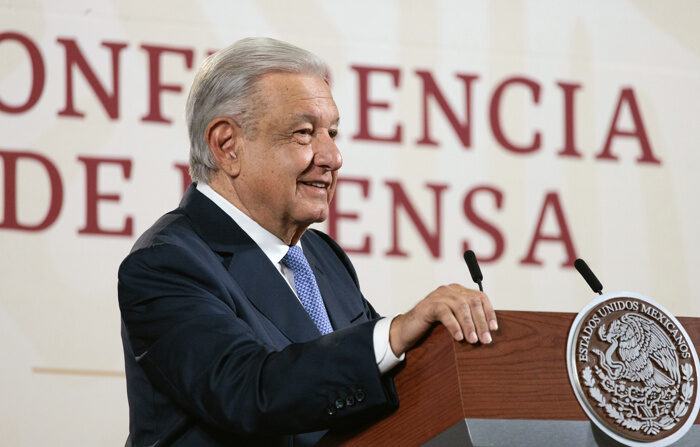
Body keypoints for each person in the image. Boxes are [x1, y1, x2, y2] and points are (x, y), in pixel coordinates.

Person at [118, 37, 498, 447]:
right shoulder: (165, 262)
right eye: (304, 133)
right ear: (227, 146)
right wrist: (394, 334)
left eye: (332, 132)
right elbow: (248, 391)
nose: (333, 156)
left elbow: (378, 389)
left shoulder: (321, 256)